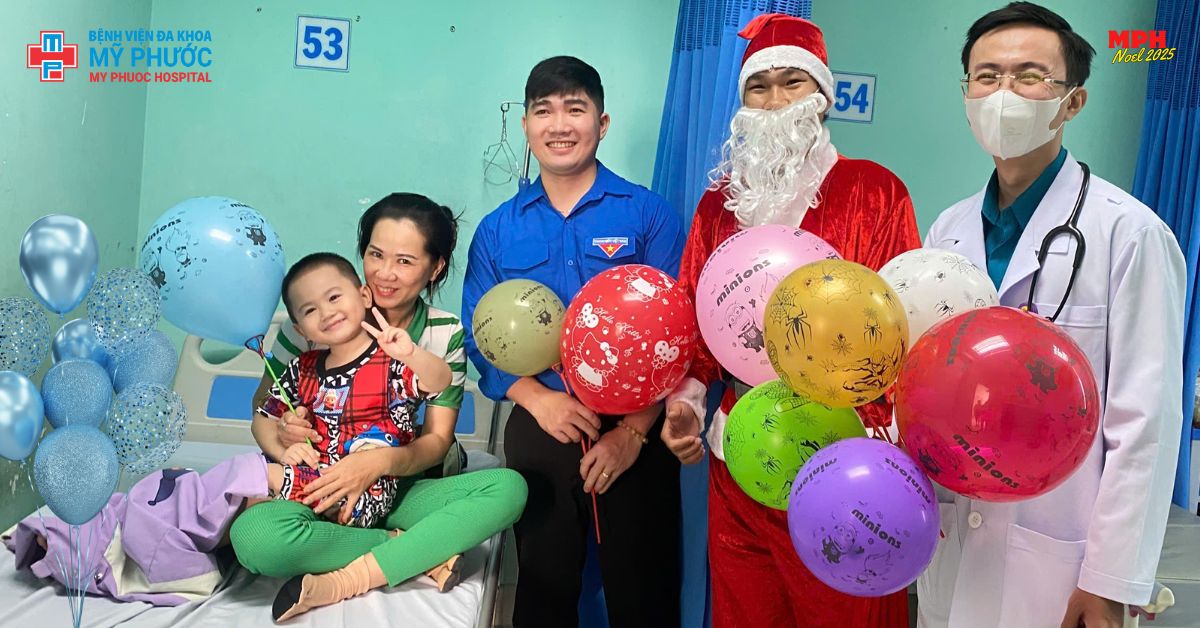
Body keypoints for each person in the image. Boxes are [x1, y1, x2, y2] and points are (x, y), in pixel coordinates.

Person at [915, 4, 1186, 628]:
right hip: (955, 535)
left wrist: (1111, 580)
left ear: (1072, 102)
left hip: (1062, 560)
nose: (1003, 94)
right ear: (966, 95)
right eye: (987, 76)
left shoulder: (1130, 233)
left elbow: (1145, 420)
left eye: (1030, 76)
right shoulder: (949, 229)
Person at [659, 14, 921, 628]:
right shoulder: (719, 204)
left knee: (843, 613)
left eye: (791, 82)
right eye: (759, 86)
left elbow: (901, 327)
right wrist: (687, 402)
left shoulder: (875, 191)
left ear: (822, 94)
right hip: (740, 456)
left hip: (843, 461)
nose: (775, 100)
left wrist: (879, 440)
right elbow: (698, 317)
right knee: (745, 612)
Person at [461, 56, 686, 628]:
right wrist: (539, 401)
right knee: (544, 587)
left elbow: (678, 329)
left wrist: (632, 434)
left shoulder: (648, 214)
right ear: (526, 126)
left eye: (575, 109)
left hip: (637, 423)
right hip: (542, 421)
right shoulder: (497, 229)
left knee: (645, 589)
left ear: (602, 123)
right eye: (544, 111)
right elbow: (480, 335)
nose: (559, 125)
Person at [229, 193, 528, 622]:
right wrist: (285, 439)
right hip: (323, 483)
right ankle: (413, 550)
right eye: (375, 254)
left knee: (508, 489)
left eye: (405, 261)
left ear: (435, 268)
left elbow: (437, 438)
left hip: (402, 481)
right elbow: (265, 410)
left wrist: (376, 463)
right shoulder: (311, 326)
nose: (386, 273)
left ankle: (348, 578)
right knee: (255, 538)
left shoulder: (441, 333)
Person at [256, 252, 453, 530]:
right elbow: (263, 417)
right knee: (248, 496)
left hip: (363, 493)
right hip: (311, 479)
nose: (327, 313)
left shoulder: (391, 362)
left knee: (254, 476)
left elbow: (440, 381)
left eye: (334, 297)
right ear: (301, 330)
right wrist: (283, 452)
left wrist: (411, 354)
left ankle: (364, 538)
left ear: (364, 296)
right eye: (310, 310)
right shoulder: (302, 368)